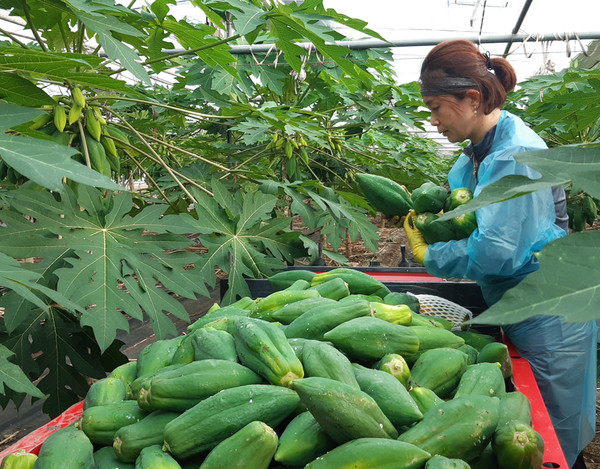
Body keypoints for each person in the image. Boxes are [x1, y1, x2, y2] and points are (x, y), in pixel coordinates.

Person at [403, 39, 597, 469]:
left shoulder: (514, 155)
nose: (433, 121)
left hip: (550, 313)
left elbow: (496, 250)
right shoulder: (477, 152)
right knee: (535, 421)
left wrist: (430, 256)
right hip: (515, 302)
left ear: (471, 99)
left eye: (436, 108)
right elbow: (467, 218)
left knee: (552, 434)